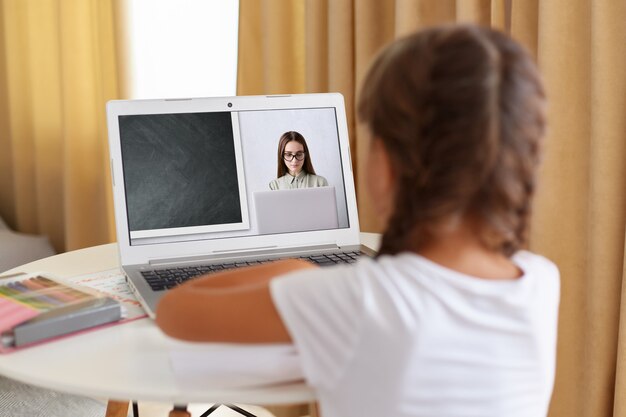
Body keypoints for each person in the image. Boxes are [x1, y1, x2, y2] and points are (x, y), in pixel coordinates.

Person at [156, 23, 559, 417]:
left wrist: (295, 271)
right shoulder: (540, 282)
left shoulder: (359, 300)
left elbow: (175, 311)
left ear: (385, 165)